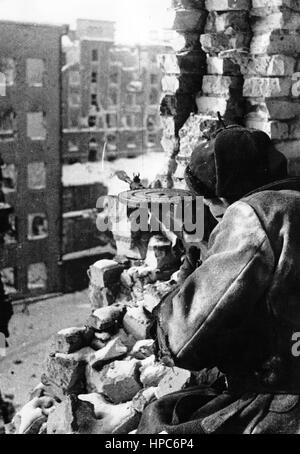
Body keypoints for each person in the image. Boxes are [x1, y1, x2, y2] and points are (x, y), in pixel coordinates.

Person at [137, 124, 300, 434]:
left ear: (224, 196)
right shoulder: (292, 200)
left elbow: (183, 338)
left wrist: (191, 263)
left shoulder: (252, 214)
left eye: (210, 204)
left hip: (282, 401)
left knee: (157, 423)